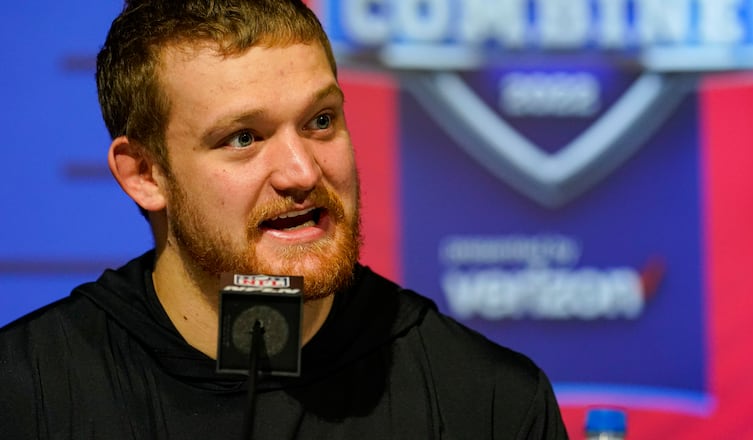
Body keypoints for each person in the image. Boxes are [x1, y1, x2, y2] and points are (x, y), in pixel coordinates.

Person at [0, 1, 568, 438]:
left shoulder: (489, 400)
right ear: (145, 174)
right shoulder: (26, 392)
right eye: (244, 138)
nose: (301, 172)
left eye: (321, 121)